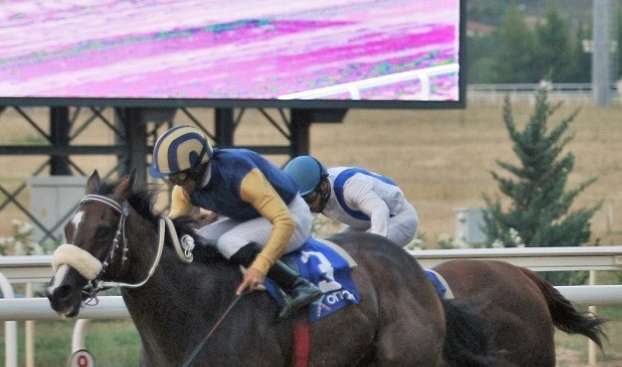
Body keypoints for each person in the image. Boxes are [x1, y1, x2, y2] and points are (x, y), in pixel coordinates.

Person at [150, 125, 323, 318]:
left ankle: (299, 286)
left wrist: (259, 267)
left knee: (229, 242)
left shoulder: (240, 175)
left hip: (291, 216)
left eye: (178, 176)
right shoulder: (184, 189)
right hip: (251, 217)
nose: (174, 184)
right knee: (195, 239)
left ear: (197, 169)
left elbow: (284, 221)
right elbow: (174, 234)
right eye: (170, 178)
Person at [283, 156, 420, 247]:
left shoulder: (350, 186)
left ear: (323, 186)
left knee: (362, 251)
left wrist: (374, 250)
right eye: (301, 200)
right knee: (327, 247)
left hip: (400, 219)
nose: (307, 206)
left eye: (309, 198)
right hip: (363, 225)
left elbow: (379, 209)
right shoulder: (316, 188)